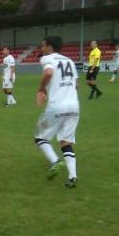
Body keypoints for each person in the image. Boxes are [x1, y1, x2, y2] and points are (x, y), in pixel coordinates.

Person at [33, 36, 80, 188]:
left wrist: (41, 90)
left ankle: (55, 161)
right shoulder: (70, 62)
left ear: (50, 47)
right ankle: (72, 177)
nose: (42, 49)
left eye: (43, 46)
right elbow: (76, 85)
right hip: (74, 106)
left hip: (57, 106)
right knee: (66, 142)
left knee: (40, 138)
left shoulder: (47, 58)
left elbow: (48, 73)